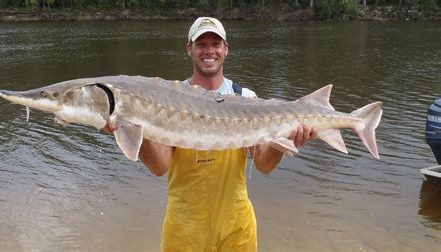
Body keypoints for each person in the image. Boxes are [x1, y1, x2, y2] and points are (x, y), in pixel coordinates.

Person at [108, 17, 317, 251]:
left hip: (235, 226)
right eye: (201, 44)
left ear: (225, 49)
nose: (209, 51)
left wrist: (287, 138)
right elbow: (160, 166)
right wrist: (128, 124)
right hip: (184, 227)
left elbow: (264, 165)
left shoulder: (246, 98)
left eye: (215, 44)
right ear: (190, 49)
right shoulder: (170, 99)